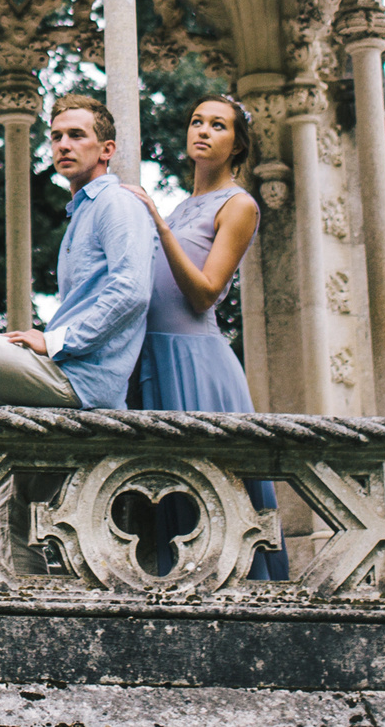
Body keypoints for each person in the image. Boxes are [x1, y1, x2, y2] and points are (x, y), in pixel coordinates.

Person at [120, 93, 288, 580]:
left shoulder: (240, 205)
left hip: (196, 364)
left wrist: (155, 223)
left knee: (214, 504)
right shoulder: (181, 205)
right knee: (163, 508)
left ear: (237, 144)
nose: (203, 131)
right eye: (197, 121)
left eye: (218, 125)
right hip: (152, 359)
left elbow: (204, 293)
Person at [0, 95, 152, 411]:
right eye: (56, 136)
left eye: (76, 135)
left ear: (107, 150)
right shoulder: (83, 212)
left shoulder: (116, 202)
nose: (63, 145)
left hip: (79, 380)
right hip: (67, 371)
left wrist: (55, 341)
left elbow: (132, 292)